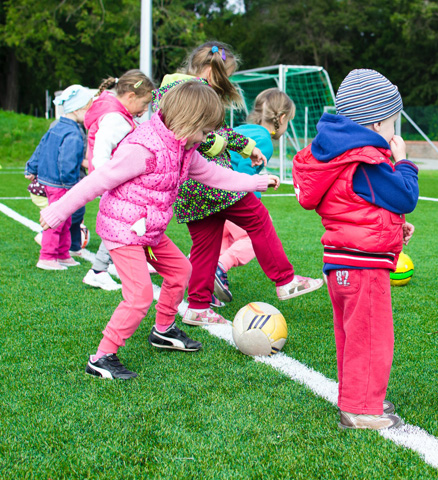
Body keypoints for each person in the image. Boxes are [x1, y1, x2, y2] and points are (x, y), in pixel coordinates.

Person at [38, 81, 280, 379]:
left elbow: (213, 175)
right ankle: (101, 357)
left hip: (149, 230)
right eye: (205, 132)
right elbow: (97, 181)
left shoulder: (184, 147)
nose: (207, 139)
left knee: (181, 271)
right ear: (188, 121)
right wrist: (58, 211)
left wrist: (255, 182)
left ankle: (163, 330)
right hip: (123, 230)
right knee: (139, 296)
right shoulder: (143, 149)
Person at [152, 41, 323, 327]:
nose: (226, 82)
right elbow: (200, 136)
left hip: (190, 189)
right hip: (211, 182)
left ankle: (197, 306)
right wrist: (224, 148)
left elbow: (219, 130)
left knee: (206, 244)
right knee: (257, 218)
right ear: (210, 70)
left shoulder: (174, 88)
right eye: (225, 75)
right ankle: (285, 280)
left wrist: (248, 148)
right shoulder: (190, 92)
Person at [292, 69, 419, 430]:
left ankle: (357, 396)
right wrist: (404, 161)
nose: (395, 132)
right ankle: (361, 409)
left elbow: (357, 206)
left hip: (342, 263)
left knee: (353, 336)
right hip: (363, 268)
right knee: (371, 337)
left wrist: (395, 228)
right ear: (377, 122)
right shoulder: (365, 160)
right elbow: (405, 194)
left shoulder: (339, 156)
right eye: (393, 123)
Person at [213, 88, 296, 306]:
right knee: (252, 238)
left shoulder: (242, 129)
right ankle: (220, 267)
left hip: (211, 193)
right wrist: (253, 201)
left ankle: (206, 284)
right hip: (231, 196)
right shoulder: (264, 141)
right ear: (282, 118)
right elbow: (244, 170)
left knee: (220, 240)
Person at [82, 69, 155, 291]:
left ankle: (109, 266)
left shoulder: (118, 114)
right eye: (144, 104)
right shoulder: (115, 119)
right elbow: (102, 154)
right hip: (114, 183)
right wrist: (109, 180)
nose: (144, 111)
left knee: (128, 222)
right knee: (121, 224)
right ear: (130, 97)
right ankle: (98, 270)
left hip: (116, 181)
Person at [25, 84, 94, 271]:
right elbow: (67, 162)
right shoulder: (73, 133)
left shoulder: (57, 126)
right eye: (88, 108)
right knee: (57, 220)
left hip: (51, 181)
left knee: (66, 219)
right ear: (79, 109)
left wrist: (31, 167)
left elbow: (41, 146)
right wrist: (72, 186)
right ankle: (47, 257)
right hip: (61, 184)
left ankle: (63, 254)